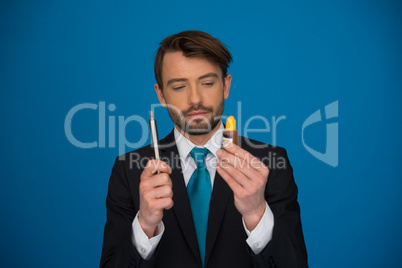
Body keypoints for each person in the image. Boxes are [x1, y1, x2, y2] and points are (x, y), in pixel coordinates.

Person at [100, 30, 308, 268]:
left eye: (207, 83)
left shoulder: (270, 162)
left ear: (226, 86)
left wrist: (257, 214)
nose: (195, 99)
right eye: (179, 86)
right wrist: (144, 225)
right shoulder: (128, 170)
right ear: (160, 94)